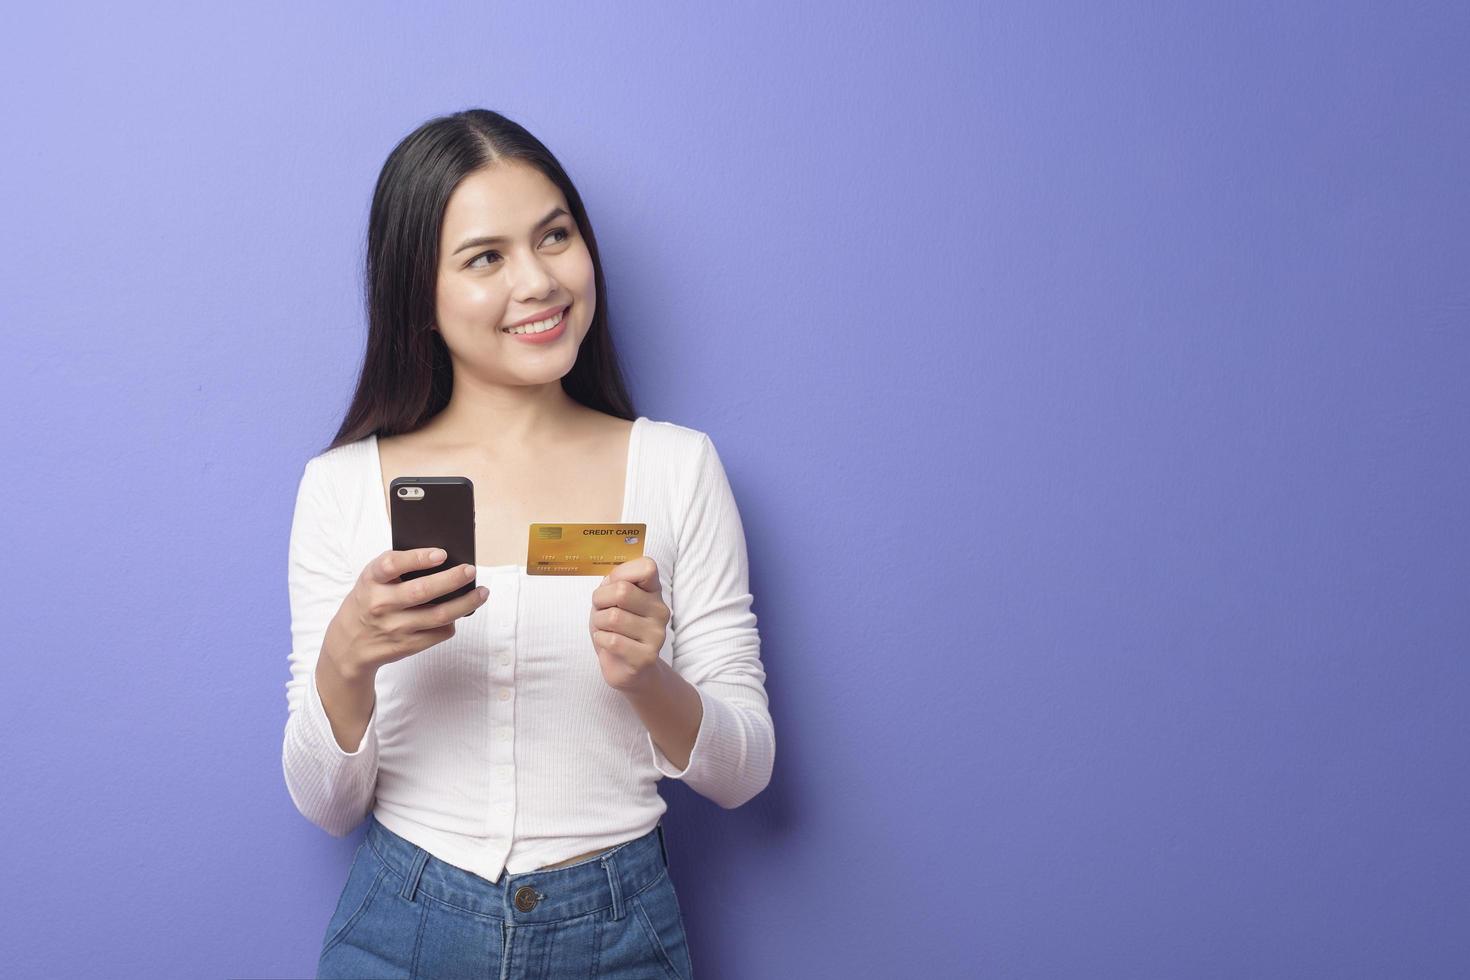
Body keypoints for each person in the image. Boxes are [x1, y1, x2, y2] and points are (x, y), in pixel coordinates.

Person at [280, 108, 774, 979]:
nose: (538, 281)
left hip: (619, 935)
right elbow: (326, 807)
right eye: (485, 258)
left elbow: (744, 773)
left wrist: (646, 677)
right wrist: (345, 663)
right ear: (418, 297)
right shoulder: (342, 486)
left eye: (554, 236)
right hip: (401, 927)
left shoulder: (677, 467)